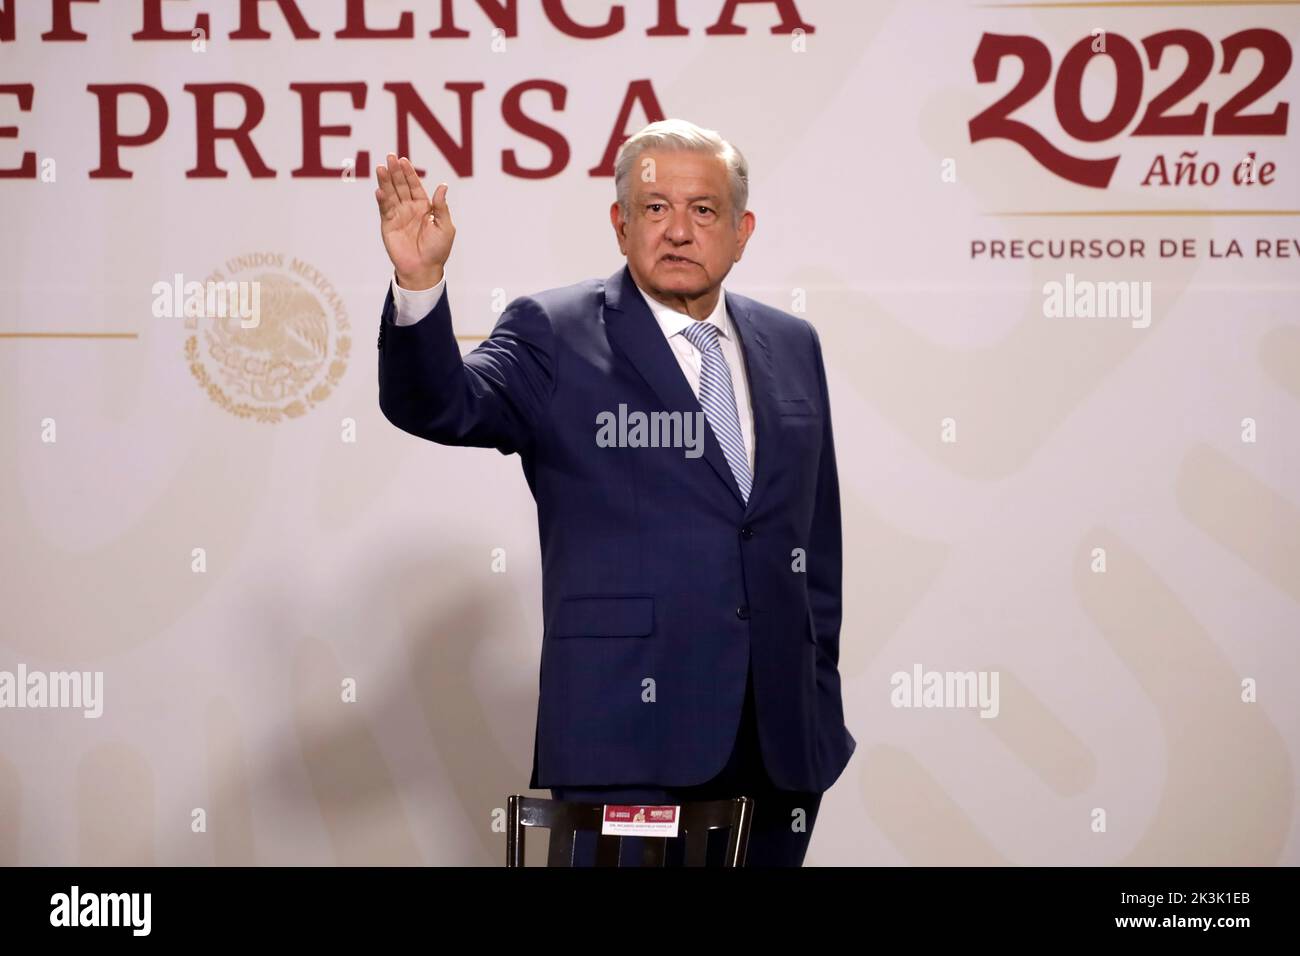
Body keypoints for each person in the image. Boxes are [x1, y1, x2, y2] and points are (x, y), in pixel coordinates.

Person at [374, 118, 855, 866]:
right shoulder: (554, 332)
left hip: (780, 745)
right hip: (629, 738)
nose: (678, 231)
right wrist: (419, 285)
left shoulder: (793, 343)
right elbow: (443, 405)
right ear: (621, 224)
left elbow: (812, 540)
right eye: (655, 208)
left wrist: (815, 682)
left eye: (703, 210)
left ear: (741, 230)